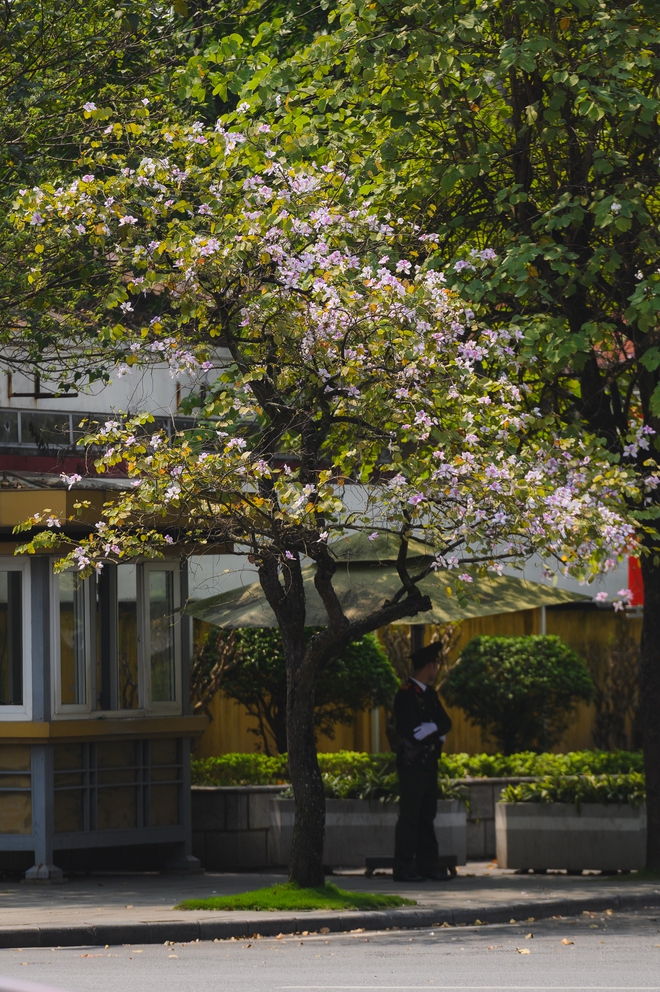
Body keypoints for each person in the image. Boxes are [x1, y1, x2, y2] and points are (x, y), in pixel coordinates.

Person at [392, 641, 453, 882]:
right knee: (410, 815)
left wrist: (435, 727)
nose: (436, 668)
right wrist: (436, 731)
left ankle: (428, 866)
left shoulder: (431, 694)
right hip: (412, 763)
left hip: (429, 762)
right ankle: (404, 867)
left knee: (427, 815)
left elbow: (446, 722)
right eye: (435, 664)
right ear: (428, 666)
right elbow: (410, 729)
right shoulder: (406, 694)